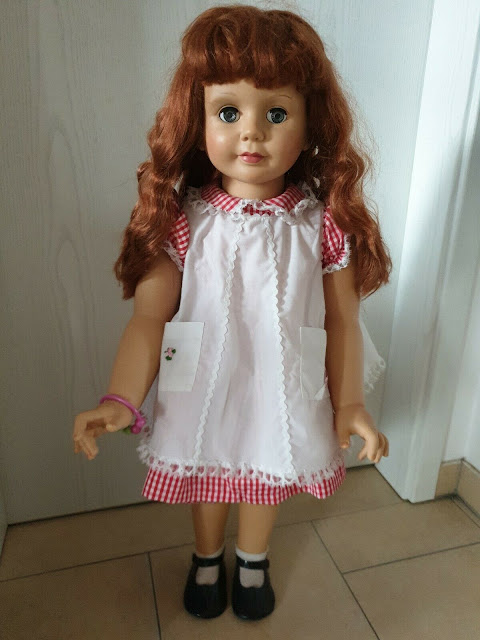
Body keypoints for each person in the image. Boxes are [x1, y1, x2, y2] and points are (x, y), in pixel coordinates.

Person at [73, 5, 391, 621]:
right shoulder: (183, 220)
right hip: (202, 373)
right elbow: (149, 318)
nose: (251, 133)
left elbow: (344, 320)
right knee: (208, 462)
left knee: (267, 463)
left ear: (310, 122)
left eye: (276, 113)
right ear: (196, 122)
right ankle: (206, 555)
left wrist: (350, 402)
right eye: (228, 113)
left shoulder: (322, 224)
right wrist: (121, 397)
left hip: (281, 374)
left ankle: (252, 560)